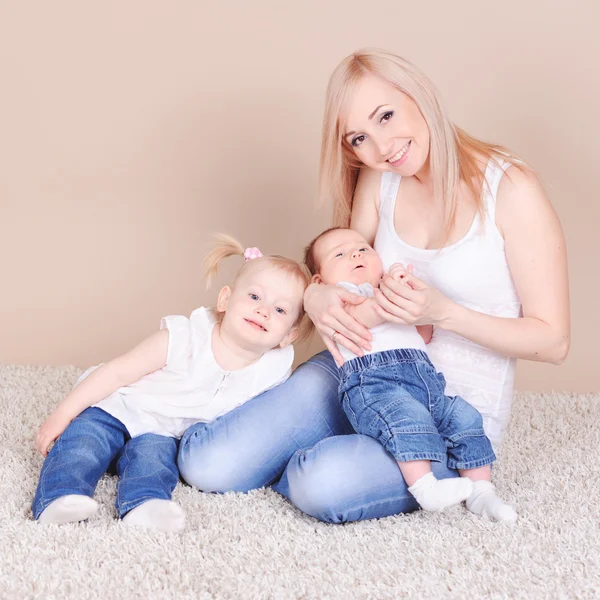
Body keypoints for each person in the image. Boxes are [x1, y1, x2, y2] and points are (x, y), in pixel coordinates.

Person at [177, 49, 570, 523]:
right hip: (361, 375)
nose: (383, 147)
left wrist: (444, 313)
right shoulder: (380, 178)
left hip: (445, 404)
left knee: (319, 481)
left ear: (419, 95)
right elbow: (342, 265)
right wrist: (315, 295)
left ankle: (431, 467)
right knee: (207, 465)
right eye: (359, 138)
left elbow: (553, 340)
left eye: (386, 116)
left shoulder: (510, 188)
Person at [32, 235, 310, 532]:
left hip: (163, 432)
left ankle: (144, 505)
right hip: (118, 407)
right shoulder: (187, 337)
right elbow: (117, 373)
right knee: (83, 445)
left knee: (155, 465)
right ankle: (59, 496)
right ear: (225, 300)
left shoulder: (273, 371)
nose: (264, 310)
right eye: (254, 297)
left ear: (289, 335)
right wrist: (62, 415)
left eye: (280, 310)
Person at [304, 226, 516, 521]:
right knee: (408, 419)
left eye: (363, 249)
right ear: (320, 280)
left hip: (425, 381)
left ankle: (482, 491)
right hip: (375, 384)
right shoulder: (343, 297)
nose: (355, 254)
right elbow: (361, 316)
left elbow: (425, 333)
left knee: (464, 416)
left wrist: (413, 297)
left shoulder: (382, 290)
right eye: (340, 254)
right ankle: (425, 488)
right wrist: (395, 296)